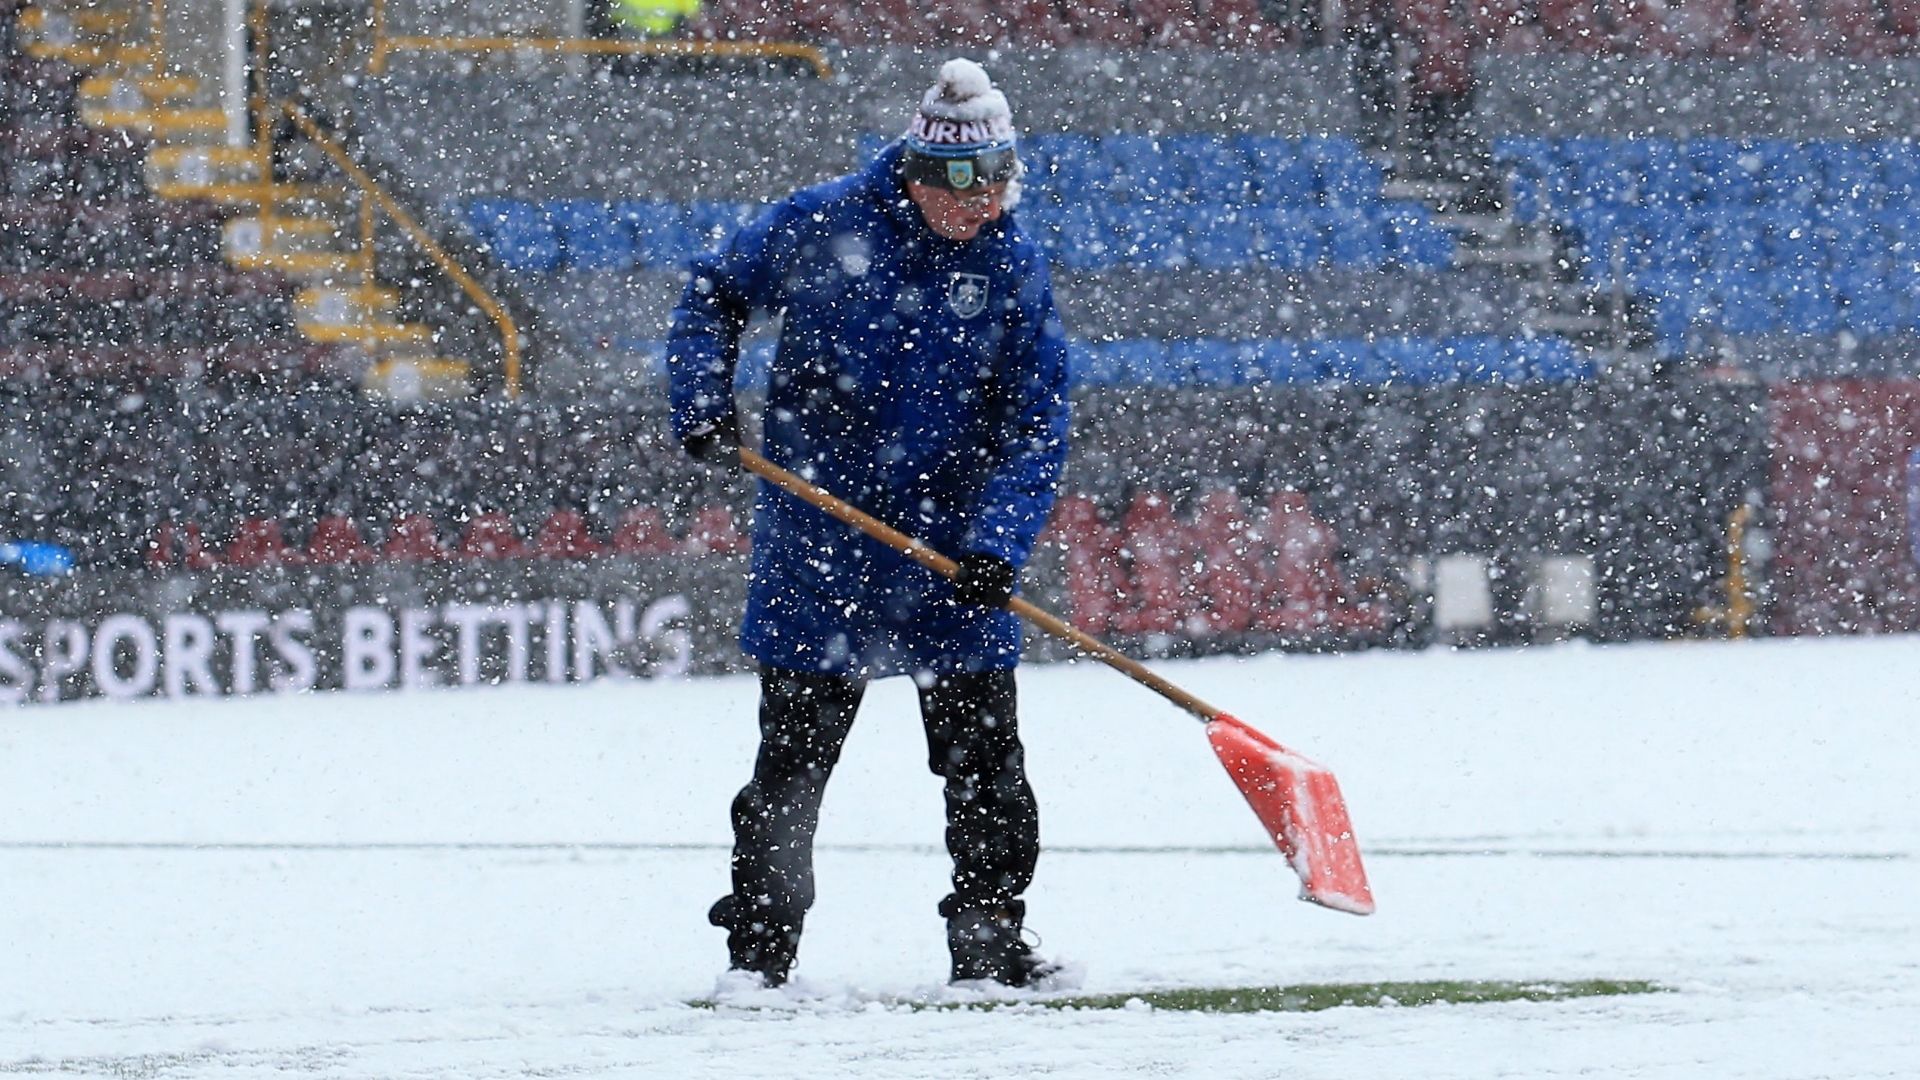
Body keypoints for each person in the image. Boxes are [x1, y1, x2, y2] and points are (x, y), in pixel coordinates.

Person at [665, 58, 1071, 990]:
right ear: (926, 177)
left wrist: (996, 547)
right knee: (791, 771)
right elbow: (713, 294)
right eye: (973, 191)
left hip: (953, 558)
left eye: (1005, 185)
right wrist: (702, 400)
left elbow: (1037, 422)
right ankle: (759, 959)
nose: (990, 208)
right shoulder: (821, 222)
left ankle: (989, 945)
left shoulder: (1011, 262)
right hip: (822, 551)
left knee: (987, 774)